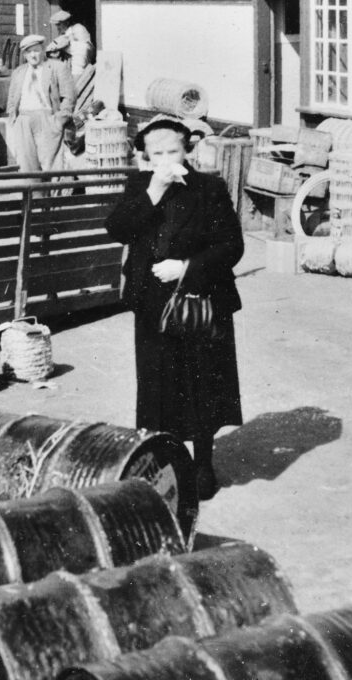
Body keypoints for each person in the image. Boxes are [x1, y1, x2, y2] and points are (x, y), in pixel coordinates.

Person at [105, 117, 244, 501]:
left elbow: (232, 246)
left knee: (202, 380)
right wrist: (154, 190)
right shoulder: (140, 186)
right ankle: (163, 462)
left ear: (188, 151)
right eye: (157, 154)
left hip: (200, 300)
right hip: (152, 303)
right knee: (157, 385)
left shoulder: (209, 189)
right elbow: (117, 229)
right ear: (146, 157)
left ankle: (202, 464)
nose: (166, 160)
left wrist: (186, 268)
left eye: (173, 151)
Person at [5, 34, 74, 171]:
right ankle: (33, 186)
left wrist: (59, 120)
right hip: (23, 120)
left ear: (43, 50)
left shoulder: (57, 67)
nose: (33, 55)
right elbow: (12, 98)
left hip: (47, 119)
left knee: (51, 164)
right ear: (24, 54)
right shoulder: (19, 72)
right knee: (27, 165)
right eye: (29, 52)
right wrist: (14, 119)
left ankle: (52, 185)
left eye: (36, 50)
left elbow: (69, 96)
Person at [50, 8, 95, 80]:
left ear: (66, 23)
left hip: (80, 64)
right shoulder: (63, 34)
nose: (58, 27)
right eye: (56, 25)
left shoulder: (78, 28)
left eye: (59, 24)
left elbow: (85, 48)